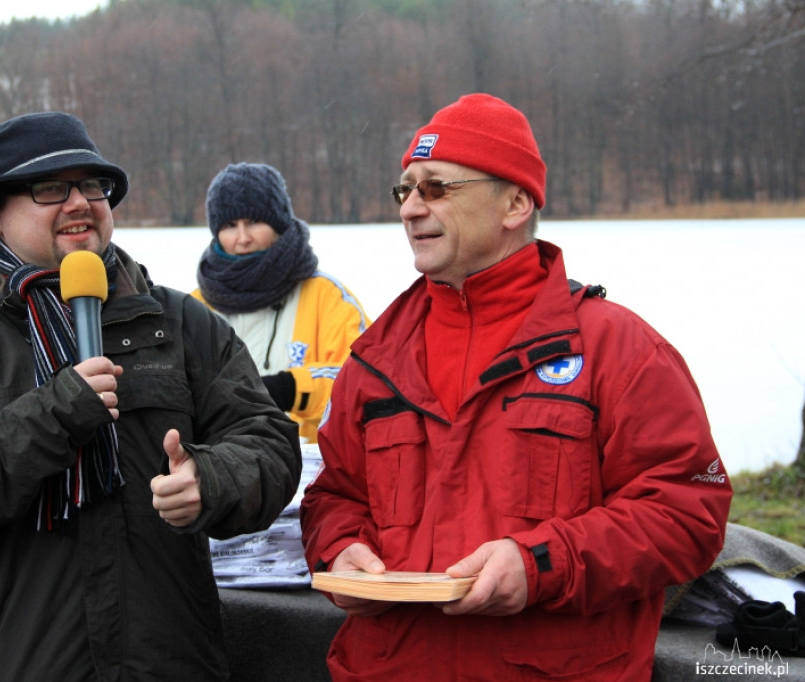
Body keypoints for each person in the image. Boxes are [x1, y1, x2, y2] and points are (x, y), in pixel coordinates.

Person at [299, 93, 732, 681]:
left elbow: (687, 511)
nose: (410, 209)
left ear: (515, 203)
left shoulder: (617, 349)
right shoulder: (376, 359)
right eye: (405, 189)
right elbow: (334, 495)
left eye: (436, 188)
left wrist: (541, 564)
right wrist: (339, 548)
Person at [0, 112, 301, 682]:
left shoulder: (179, 324)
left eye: (92, 186)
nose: (79, 203)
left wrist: (211, 479)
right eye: (50, 188)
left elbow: (270, 443)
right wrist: (51, 415)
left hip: (169, 665)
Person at [191, 162, 370, 443]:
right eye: (229, 225)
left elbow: (366, 382)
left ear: (279, 224)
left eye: (253, 222)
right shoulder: (195, 306)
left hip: (310, 470)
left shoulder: (327, 296)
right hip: (218, 469)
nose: (242, 238)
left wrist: (290, 389)